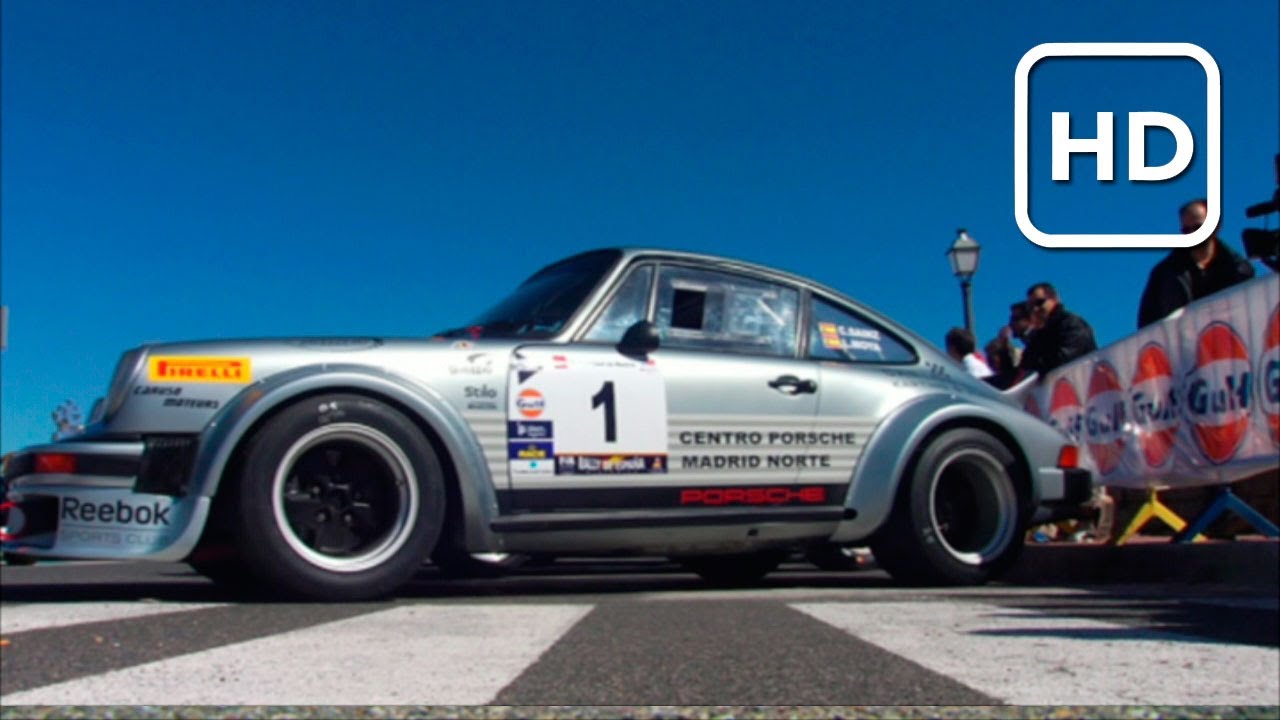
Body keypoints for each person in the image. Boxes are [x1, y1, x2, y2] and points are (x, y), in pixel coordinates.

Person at [1136, 198, 1255, 329]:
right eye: (1187, 230)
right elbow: (1147, 329)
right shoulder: (1164, 275)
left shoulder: (1240, 270)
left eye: (1198, 227)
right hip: (1182, 347)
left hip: (1230, 344)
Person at [1018, 283, 1097, 376]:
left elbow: (1063, 358)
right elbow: (1025, 365)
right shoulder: (1039, 335)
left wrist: (1036, 366)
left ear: (1055, 300)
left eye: (1039, 302)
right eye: (1030, 307)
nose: (1035, 309)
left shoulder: (1072, 324)